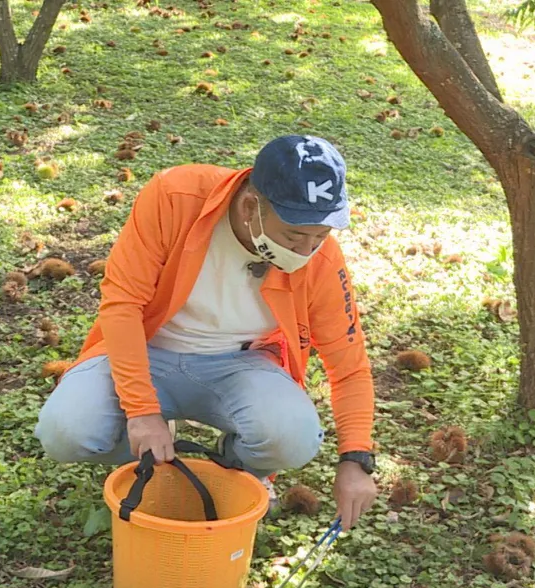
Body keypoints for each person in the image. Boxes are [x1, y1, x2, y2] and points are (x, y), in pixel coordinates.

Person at [34, 135, 379, 530]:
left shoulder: (320, 258)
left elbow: (349, 365)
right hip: (147, 348)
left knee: (293, 437)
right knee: (64, 433)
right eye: (294, 236)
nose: (307, 251)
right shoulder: (174, 196)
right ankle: (150, 450)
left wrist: (356, 458)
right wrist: (142, 412)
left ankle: (237, 467)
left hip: (242, 363)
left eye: (321, 235)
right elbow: (123, 304)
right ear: (252, 206)